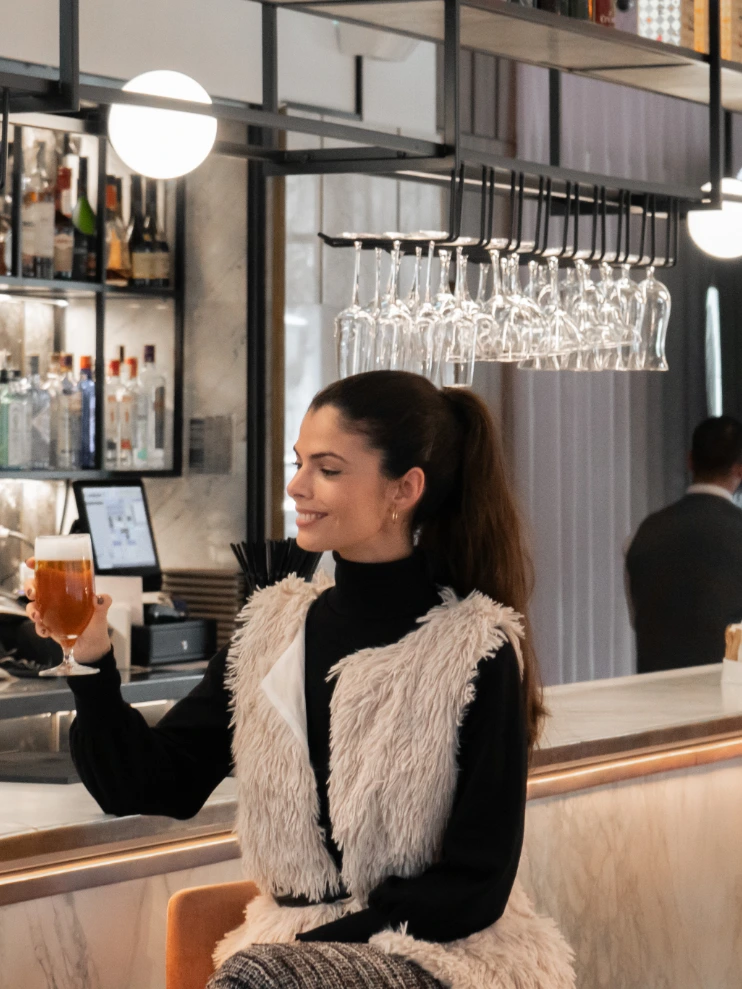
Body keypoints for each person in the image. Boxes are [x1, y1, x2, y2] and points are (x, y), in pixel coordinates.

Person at [25, 371, 574, 989]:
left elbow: (475, 886)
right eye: (298, 463)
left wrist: (301, 953)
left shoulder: (476, 647)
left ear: (404, 489)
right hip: (280, 959)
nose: (296, 486)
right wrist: (92, 658)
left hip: (438, 955)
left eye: (328, 469)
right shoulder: (272, 628)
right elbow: (149, 784)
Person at [626, 415, 742, 674]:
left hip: (657, 698)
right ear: (740, 469)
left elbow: (638, 618)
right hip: (730, 698)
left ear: (690, 460)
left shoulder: (645, 532)